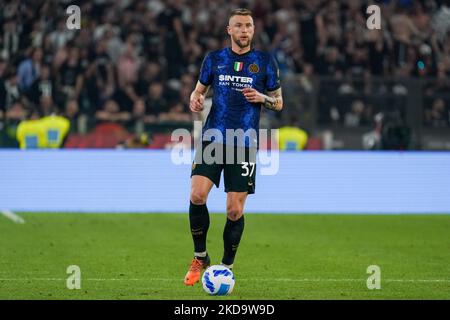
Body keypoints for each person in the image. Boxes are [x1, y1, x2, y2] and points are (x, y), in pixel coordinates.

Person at [184, 8, 283, 286]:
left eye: (248, 26)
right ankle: (200, 256)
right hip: (213, 138)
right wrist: (195, 99)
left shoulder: (264, 62)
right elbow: (198, 91)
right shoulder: (214, 59)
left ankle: (225, 266)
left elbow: (278, 102)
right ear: (229, 30)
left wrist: (262, 97)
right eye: (238, 26)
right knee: (197, 195)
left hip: (244, 142)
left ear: (253, 30)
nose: (244, 30)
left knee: (234, 211)